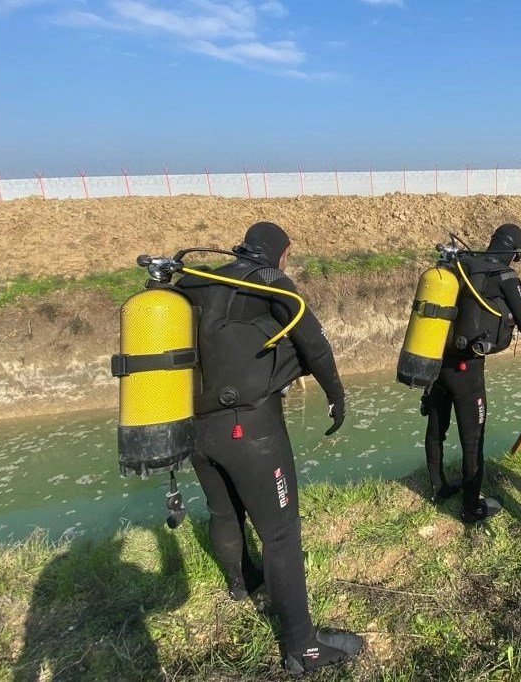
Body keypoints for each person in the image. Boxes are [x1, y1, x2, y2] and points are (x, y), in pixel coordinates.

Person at [176, 221, 363, 675]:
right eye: (287, 255)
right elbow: (314, 344)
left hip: (194, 427)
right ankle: (302, 647)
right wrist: (335, 394)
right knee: (280, 533)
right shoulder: (270, 282)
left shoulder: (197, 283)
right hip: (249, 429)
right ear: (278, 253)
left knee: (223, 512)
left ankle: (243, 584)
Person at [424, 223, 521, 523]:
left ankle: (438, 489)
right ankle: (471, 507)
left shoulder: (461, 264)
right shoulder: (504, 276)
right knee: (472, 440)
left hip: (439, 360)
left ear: (492, 241)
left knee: (436, 427)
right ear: (516, 253)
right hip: (468, 371)